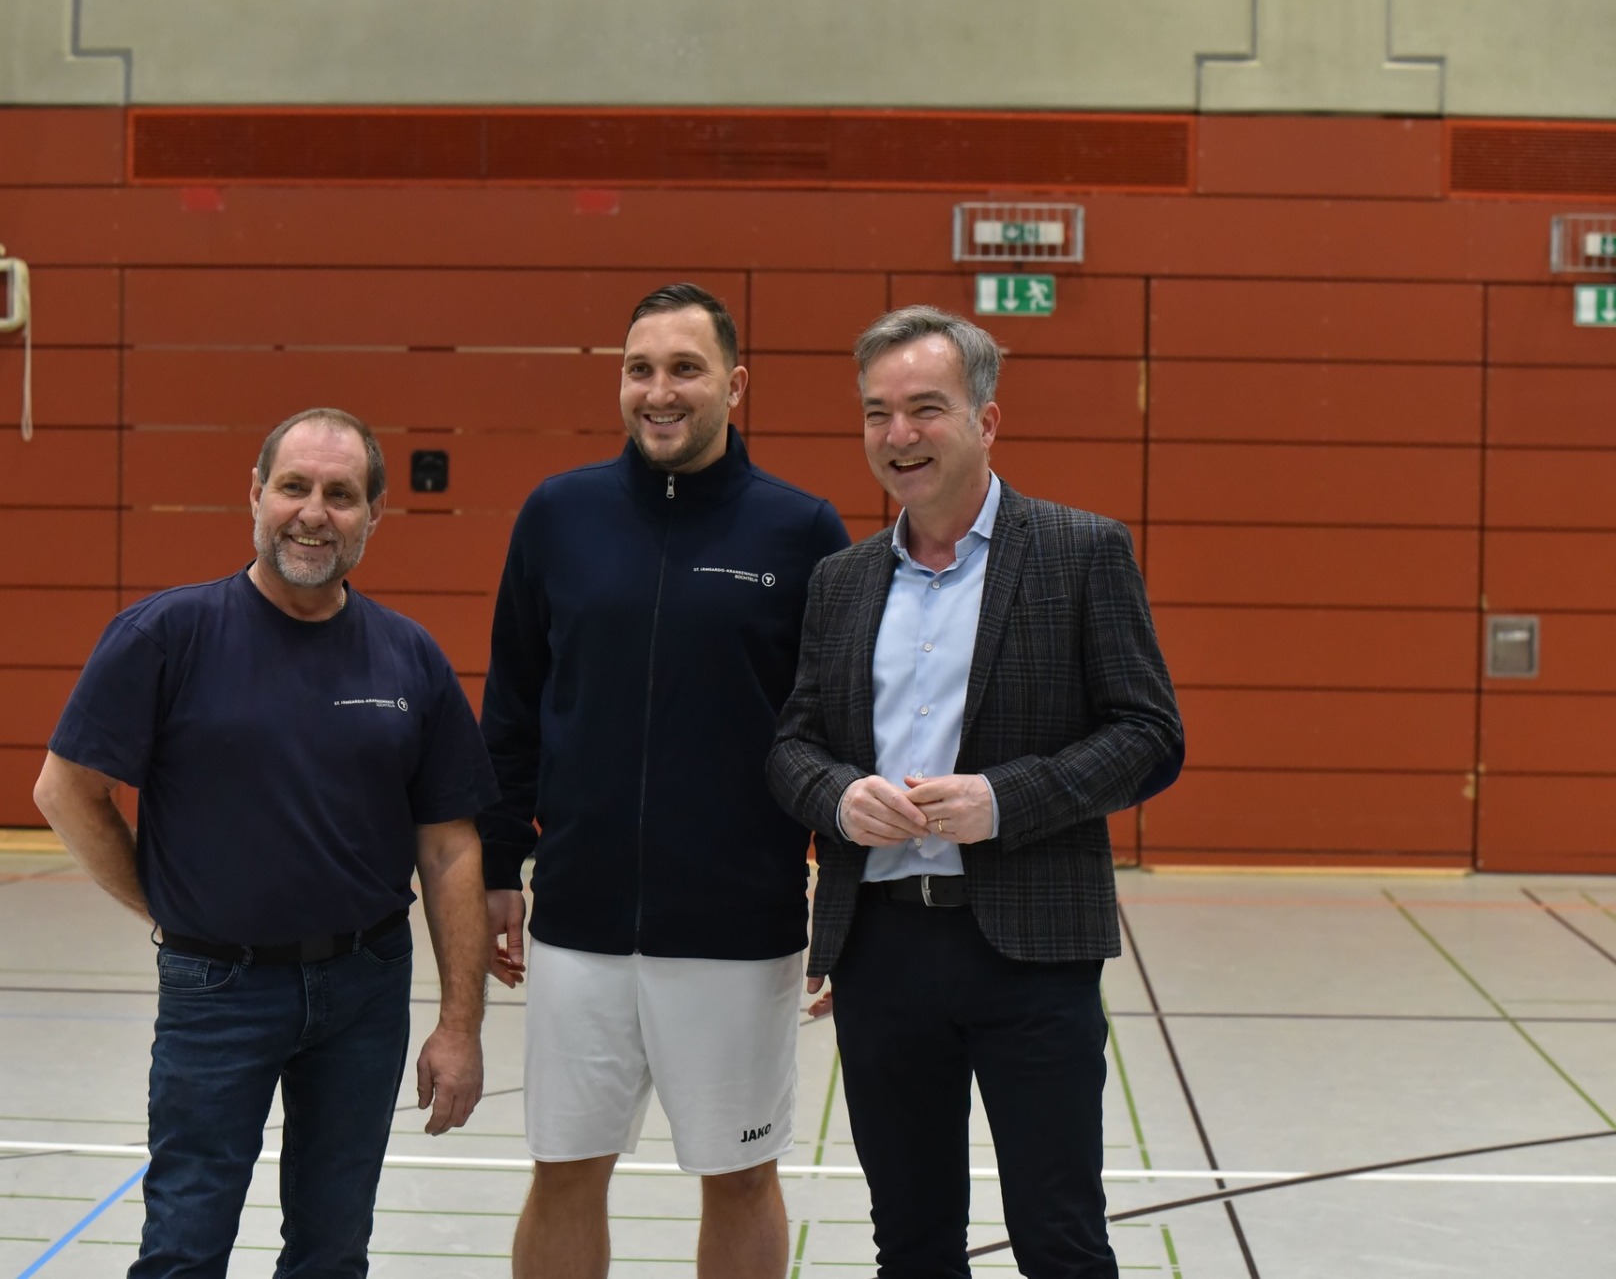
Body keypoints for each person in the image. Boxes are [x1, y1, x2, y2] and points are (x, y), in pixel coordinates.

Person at [765, 306, 1185, 1279]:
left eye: (925, 408)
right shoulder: (842, 581)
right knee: (911, 1245)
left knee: (1060, 1240)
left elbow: (1150, 736)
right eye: (877, 413)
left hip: (1032, 954)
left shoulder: (1082, 552)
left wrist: (1005, 800)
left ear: (986, 421)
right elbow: (793, 747)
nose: (898, 435)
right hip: (880, 950)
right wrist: (840, 798)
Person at [32, 407, 497, 1279]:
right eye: (293, 487)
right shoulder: (166, 636)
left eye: (341, 494)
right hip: (218, 991)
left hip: (365, 991)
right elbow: (66, 790)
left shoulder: (410, 657)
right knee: (185, 1246)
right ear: (254, 495)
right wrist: (162, 906)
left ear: (374, 513)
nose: (313, 513)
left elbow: (449, 849)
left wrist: (459, 1026)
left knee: (333, 1250)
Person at [479, 283, 851, 1278]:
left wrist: (844, 906)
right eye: (639, 369)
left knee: (741, 1176)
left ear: (736, 384)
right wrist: (498, 866)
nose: (659, 391)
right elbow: (512, 702)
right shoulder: (558, 515)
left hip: (740, 929)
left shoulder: (802, 532)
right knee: (564, 1169)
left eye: (685, 368)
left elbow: (838, 734)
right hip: (579, 924)